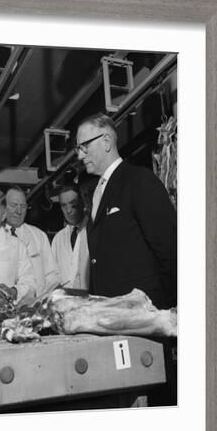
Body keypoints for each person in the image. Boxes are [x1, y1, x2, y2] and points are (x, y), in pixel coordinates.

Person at [75, 112, 177, 309]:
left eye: (84, 146)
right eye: (78, 149)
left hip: (144, 314)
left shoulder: (139, 180)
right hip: (110, 315)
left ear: (106, 141)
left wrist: (163, 309)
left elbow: (170, 250)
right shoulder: (98, 192)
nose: (80, 155)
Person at [4, 186, 59, 296]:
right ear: (4, 207)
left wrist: (39, 297)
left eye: (23, 206)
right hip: (3, 304)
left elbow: (52, 275)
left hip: (35, 304)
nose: (19, 211)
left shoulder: (39, 236)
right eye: (14, 205)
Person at [51, 185, 90, 290]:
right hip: (66, 300)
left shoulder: (93, 232)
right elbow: (53, 274)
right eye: (64, 205)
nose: (68, 210)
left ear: (83, 203)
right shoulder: (58, 238)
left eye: (73, 204)